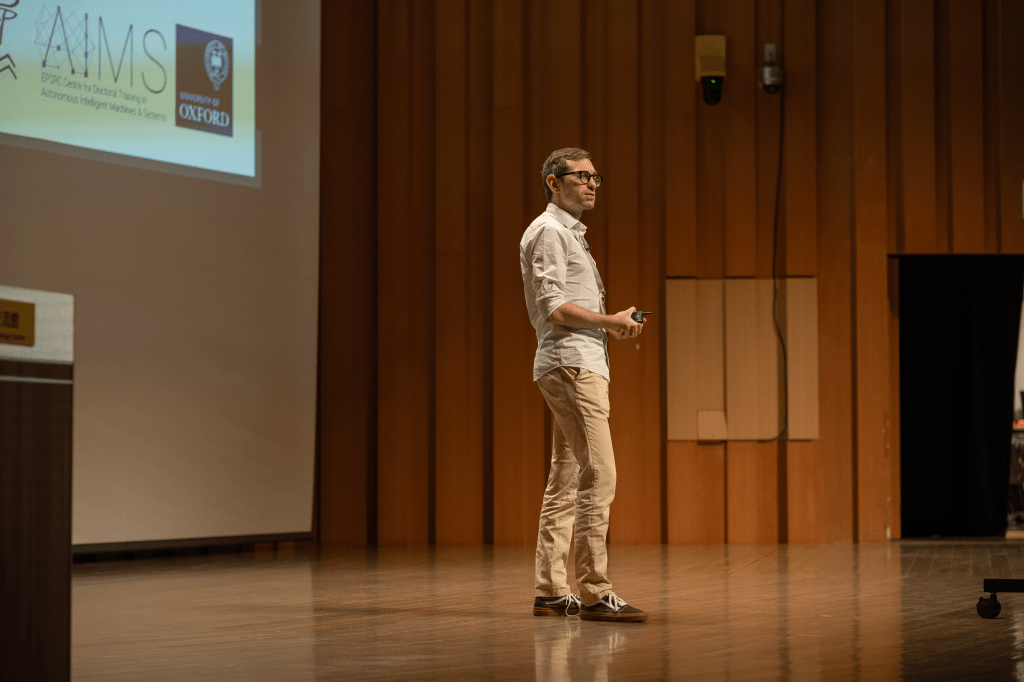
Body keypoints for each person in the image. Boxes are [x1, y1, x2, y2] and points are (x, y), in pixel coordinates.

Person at [519, 147, 648, 623]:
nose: (592, 184)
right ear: (553, 183)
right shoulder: (549, 232)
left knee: (567, 477)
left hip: (576, 363)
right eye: (581, 176)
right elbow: (554, 307)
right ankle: (595, 590)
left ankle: (552, 590)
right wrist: (611, 322)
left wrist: (610, 323)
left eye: (596, 177)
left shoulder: (567, 233)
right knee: (601, 473)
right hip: (572, 365)